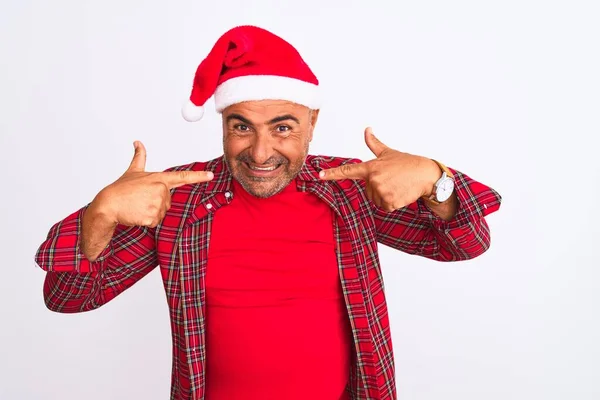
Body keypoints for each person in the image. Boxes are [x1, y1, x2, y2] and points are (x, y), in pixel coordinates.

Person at [34, 25, 502, 400]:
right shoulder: (178, 200)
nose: (260, 152)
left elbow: (464, 244)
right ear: (223, 124)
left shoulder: (350, 189)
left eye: (282, 127)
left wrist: (435, 177)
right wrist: (102, 212)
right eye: (242, 127)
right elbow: (68, 297)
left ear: (312, 124)